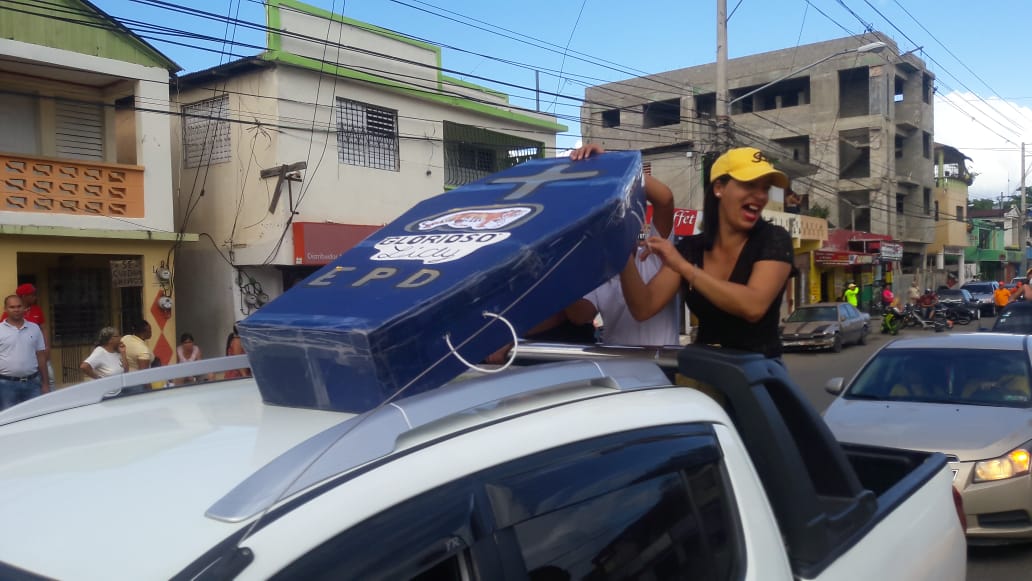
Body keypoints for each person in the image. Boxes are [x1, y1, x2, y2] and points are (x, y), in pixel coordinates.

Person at [619, 147, 793, 360]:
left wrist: (684, 267)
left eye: (765, 188)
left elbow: (753, 306)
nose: (760, 196)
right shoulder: (691, 249)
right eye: (749, 184)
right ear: (719, 188)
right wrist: (621, 252)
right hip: (706, 371)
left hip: (758, 378)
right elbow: (643, 307)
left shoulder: (774, 239)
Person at [563, 143, 679, 346]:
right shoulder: (598, 271)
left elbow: (664, 199)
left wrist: (610, 165)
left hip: (661, 370)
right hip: (617, 370)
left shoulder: (656, 253)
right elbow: (580, 315)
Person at [0, 295, 49, 410]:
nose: (16, 309)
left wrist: (45, 383)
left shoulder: (34, 328)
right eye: (12, 307)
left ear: (24, 308)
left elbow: (41, 357)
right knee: (9, 422)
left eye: (19, 306)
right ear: (5, 309)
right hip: (6, 385)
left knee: (34, 419)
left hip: (33, 384)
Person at [1, 284, 53, 391]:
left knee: (49, 378)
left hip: (34, 371)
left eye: (19, 307)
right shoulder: (4, 321)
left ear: (23, 307)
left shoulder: (36, 313)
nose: (35, 297)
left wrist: (46, 346)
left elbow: (44, 328)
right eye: (32, 294)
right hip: (7, 381)